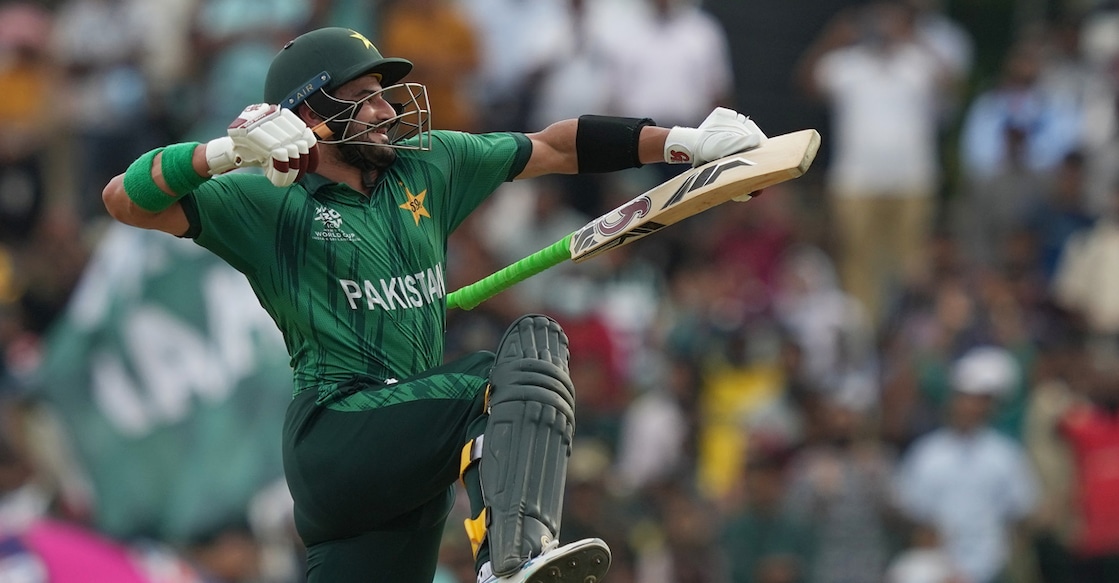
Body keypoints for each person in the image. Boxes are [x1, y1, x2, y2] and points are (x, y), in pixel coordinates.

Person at [100, 26, 767, 583]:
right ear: (309, 115)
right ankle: (515, 557)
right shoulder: (261, 200)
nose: (388, 110)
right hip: (338, 434)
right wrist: (219, 153)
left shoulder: (428, 164)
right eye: (364, 99)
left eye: (383, 95)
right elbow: (124, 200)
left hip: (411, 466)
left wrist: (685, 144)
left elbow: (557, 146)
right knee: (519, 355)